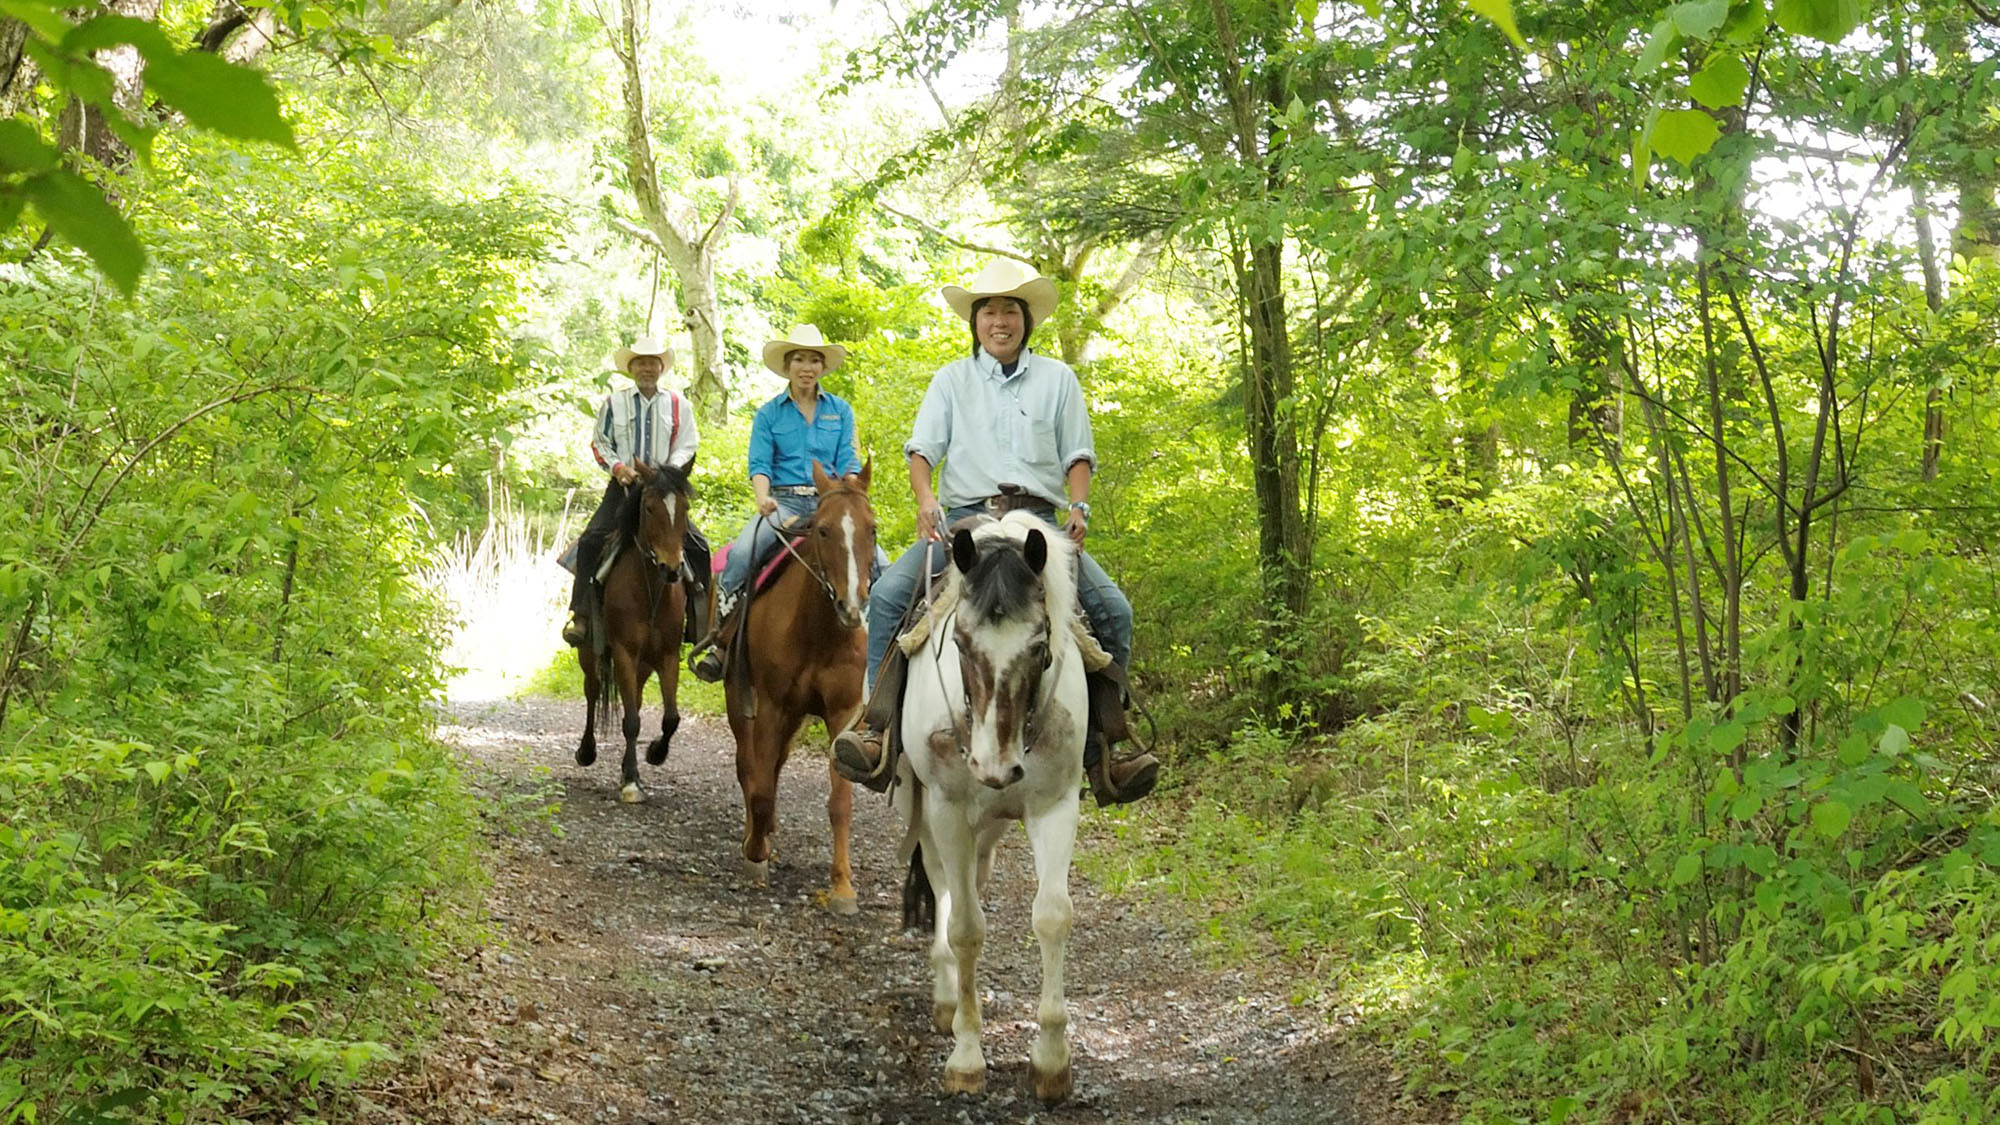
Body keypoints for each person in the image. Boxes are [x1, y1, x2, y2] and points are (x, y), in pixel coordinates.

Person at [829, 260, 1159, 805]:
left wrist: (1079, 505)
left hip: (1040, 527)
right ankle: (876, 729)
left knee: (1113, 611)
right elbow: (922, 452)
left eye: (1009, 311)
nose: (999, 322)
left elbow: (1078, 455)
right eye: (989, 312)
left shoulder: (1058, 379)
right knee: (888, 598)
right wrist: (926, 500)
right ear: (976, 321)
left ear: (1026, 320)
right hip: (968, 520)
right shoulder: (951, 380)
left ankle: (1108, 745)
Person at [687, 324, 884, 683]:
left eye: (814, 360)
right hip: (785, 503)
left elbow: (848, 462)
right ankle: (721, 643)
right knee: (740, 556)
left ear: (822, 367)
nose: (807, 367)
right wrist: (763, 497)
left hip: (831, 503)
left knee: (881, 564)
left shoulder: (840, 411)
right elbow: (760, 464)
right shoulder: (769, 414)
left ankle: (884, 648)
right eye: (799, 360)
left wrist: (853, 491)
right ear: (788, 366)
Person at [563, 334, 711, 649]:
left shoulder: (678, 404)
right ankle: (581, 613)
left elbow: (688, 444)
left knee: (699, 546)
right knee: (591, 541)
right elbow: (600, 442)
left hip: (665, 490)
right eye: (641, 363)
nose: (647, 369)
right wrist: (618, 468)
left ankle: (700, 622)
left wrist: (668, 473)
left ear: (661, 367)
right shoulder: (613, 403)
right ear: (631, 368)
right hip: (624, 487)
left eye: (652, 363)